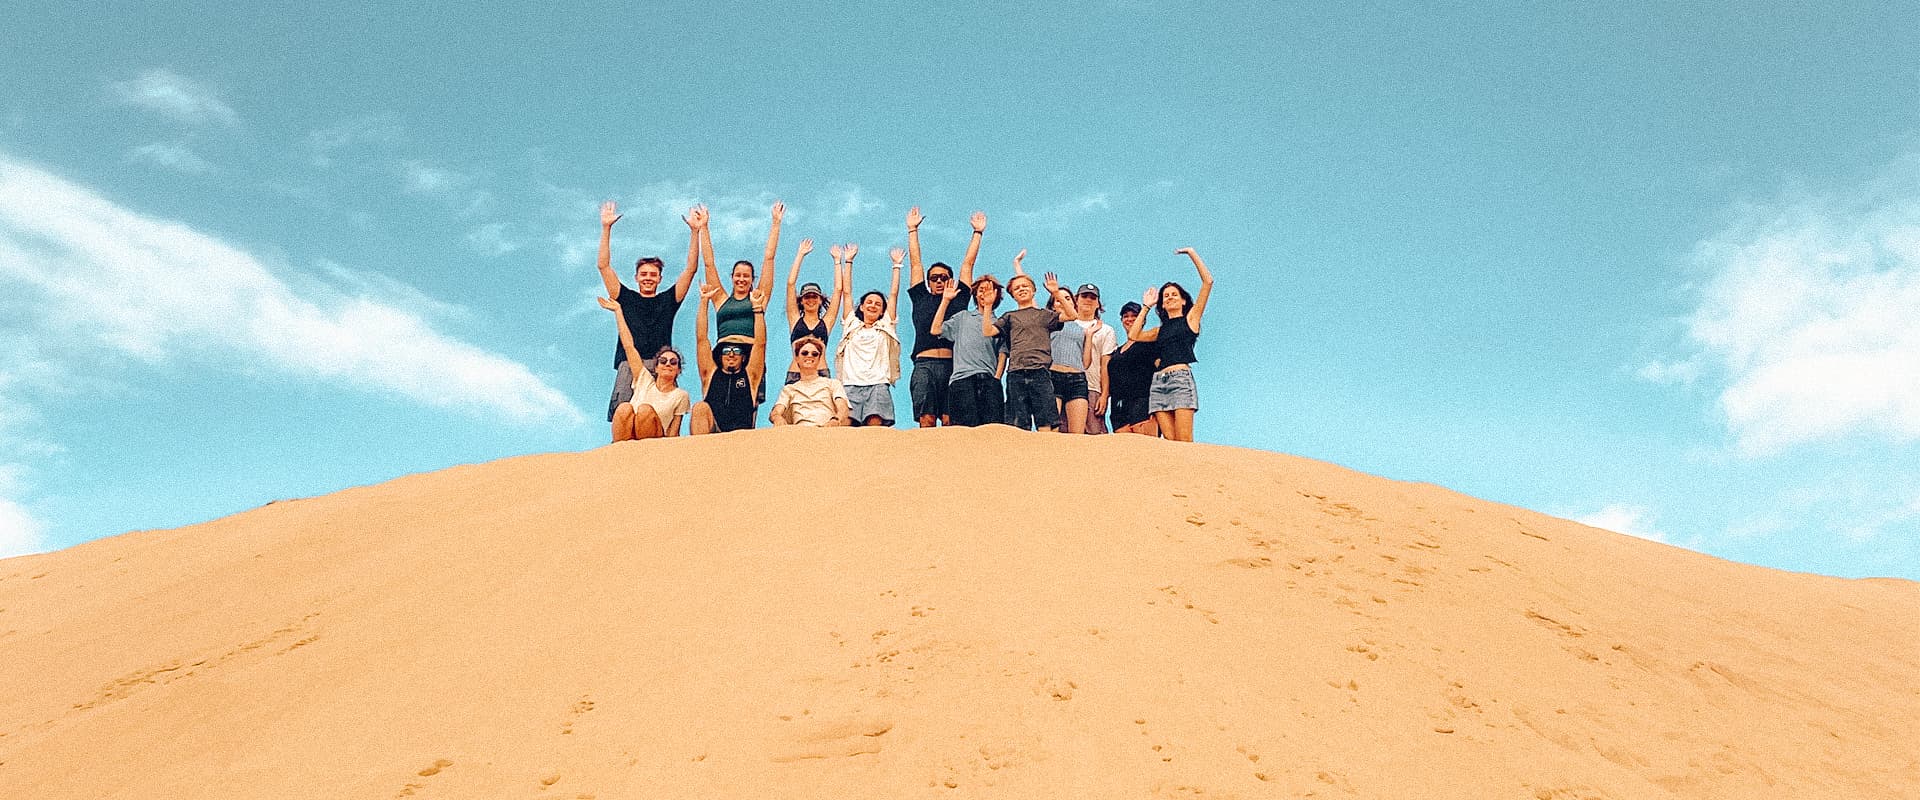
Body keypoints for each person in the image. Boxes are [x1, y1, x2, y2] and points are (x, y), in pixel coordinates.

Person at [594, 200, 699, 422]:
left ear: (660, 279)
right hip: (629, 363)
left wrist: (695, 232)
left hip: (661, 365)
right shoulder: (625, 297)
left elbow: (691, 269)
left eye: (653, 275)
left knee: (663, 417)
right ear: (636, 277)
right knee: (624, 414)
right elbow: (603, 266)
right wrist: (606, 228)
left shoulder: (669, 300)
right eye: (644, 274)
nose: (648, 278)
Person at [904, 207, 986, 427]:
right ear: (929, 282)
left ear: (950, 280)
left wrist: (977, 233)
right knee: (926, 418)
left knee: (951, 419)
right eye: (934, 278)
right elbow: (915, 264)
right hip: (924, 363)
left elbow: (968, 265)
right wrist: (912, 230)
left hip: (954, 364)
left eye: (944, 277)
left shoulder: (959, 298)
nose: (939, 281)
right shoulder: (921, 297)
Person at [1124, 248, 1214, 442]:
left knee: (1184, 439)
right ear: (1162, 305)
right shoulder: (1159, 330)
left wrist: (1191, 253)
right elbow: (1134, 334)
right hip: (1158, 383)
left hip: (1180, 379)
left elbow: (1208, 282)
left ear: (1183, 300)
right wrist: (1146, 306)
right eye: (1166, 296)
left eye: (1174, 294)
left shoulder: (1191, 318)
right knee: (1170, 441)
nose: (1170, 297)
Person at [982, 251, 1076, 431]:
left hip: (1040, 372)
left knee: (1046, 423)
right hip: (1016, 373)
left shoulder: (1044, 315)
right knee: (1018, 425)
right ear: (1012, 295)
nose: (1022, 289)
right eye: (1017, 288)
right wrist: (987, 306)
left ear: (1034, 290)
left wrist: (1056, 293)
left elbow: (1072, 315)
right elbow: (988, 331)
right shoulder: (1009, 316)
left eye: (1025, 286)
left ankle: (1044, 458)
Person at [701, 200, 783, 367]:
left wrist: (775, 223)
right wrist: (704, 227)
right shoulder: (721, 299)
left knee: (752, 393)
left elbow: (769, 258)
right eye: (738, 275)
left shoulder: (758, 297)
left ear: (753, 279)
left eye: (746, 276)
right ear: (732, 277)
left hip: (750, 352)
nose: (741, 279)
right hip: (724, 353)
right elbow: (709, 263)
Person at [597, 296, 690, 442]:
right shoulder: (644, 380)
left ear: (678, 370)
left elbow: (674, 432)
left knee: (644, 410)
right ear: (656, 367)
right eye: (663, 361)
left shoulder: (680, 395)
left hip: (655, 442)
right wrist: (618, 311)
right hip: (630, 437)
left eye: (673, 362)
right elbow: (629, 346)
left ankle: (643, 455)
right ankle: (617, 452)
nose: (668, 364)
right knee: (624, 408)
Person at [833, 246, 903, 426]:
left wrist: (897, 266)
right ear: (861, 306)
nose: (873, 305)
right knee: (845, 429)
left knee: (874, 432)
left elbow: (893, 295)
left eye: (878, 304)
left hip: (878, 385)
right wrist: (848, 261)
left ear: (882, 311)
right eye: (869, 302)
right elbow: (846, 293)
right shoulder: (851, 325)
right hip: (849, 385)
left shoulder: (885, 326)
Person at [689, 283, 769, 434]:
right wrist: (704, 302)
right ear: (720, 355)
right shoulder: (710, 374)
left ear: (743, 356)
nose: (731, 354)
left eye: (736, 350)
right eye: (726, 350)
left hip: (741, 437)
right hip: (713, 434)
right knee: (700, 407)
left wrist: (758, 310)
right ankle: (699, 455)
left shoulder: (751, 376)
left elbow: (760, 344)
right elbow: (701, 339)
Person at [929, 273, 1007, 426]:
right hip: (961, 379)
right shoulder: (963, 317)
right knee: (964, 430)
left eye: (989, 290)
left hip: (988, 379)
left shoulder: (1000, 323)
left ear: (997, 294)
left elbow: (1003, 353)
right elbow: (936, 329)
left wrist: (996, 379)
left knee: (992, 430)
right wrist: (945, 300)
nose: (985, 293)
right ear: (975, 294)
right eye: (981, 290)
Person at [782, 237, 840, 384]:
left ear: (820, 300)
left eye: (814, 297)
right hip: (796, 374)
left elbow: (838, 290)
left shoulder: (826, 322)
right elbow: (790, 284)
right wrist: (800, 255)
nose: (811, 300)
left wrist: (837, 262)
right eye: (807, 297)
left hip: (821, 374)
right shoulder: (795, 319)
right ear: (801, 300)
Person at [1046, 283, 1097, 434]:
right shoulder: (1047, 324)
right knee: (1050, 431)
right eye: (1058, 299)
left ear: (1073, 303)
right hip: (1052, 377)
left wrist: (1089, 336)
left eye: (1067, 298)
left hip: (1077, 379)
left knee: (1077, 434)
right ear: (1053, 305)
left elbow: (1086, 363)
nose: (1062, 301)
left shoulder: (1081, 329)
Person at [1104, 301, 1161, 437]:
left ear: (1142, 319)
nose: (1129, 319)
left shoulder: (1151, 343)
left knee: (1146, 450)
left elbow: (1161, 370)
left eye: (1134, 316)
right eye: (1126, 316)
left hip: (1142, 403)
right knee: (1124, 452)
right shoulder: (1117, 350)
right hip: (1119, 407)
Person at [772, 336, 850, 426]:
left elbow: (843, 408)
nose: (809, 356)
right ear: (796, 358)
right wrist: (777, 418)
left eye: (814, 354)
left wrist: (836, 420)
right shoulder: (789, 389)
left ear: (819, 358)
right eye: (804, 353)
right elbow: (776, 412)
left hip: (827, 431)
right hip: (800, 433)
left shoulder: (833, 383)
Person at [1075, 284, 1119, 434]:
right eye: (1084, 296)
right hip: (1065, 387)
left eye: (1092, 297)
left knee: (1095, 434)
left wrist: (1104, 394)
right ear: (1076, 300)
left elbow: (1105, 365)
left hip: (1092, 388)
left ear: (1098, 304)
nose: (1088, 300)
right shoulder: (1066, 325)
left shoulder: (1106, 330)